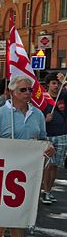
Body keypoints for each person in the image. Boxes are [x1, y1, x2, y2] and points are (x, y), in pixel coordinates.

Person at [0, 75, 55, 237]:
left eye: (29, 90)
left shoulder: (38, 115)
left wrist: (48, 147)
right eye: (23, 90)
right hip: (7, 172)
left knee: (15, 207)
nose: (28, 94)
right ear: (11, 92)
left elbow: (43, 139)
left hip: (30, 172)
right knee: (16, 208)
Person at [41, 72, 67, 204]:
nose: (56, 86)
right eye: (53, 83)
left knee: (55, 165)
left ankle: (49, 191)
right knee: (48, 165)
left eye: (57, 83)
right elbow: (37, 117)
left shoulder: (64, 95)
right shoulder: (43, 99)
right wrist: (45, 119)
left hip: (62, 134)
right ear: (48, 84)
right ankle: (44, 191)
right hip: (48, 136)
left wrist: (65, 83)